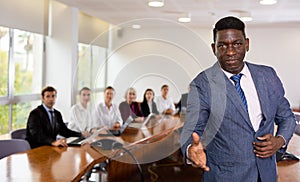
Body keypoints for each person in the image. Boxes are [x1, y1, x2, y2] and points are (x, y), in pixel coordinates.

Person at [180, 16, 296, 182]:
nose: (231, 52)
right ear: (214, 48)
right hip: (225, 176)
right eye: (223, 45)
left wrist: (280, 140)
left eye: (237, 44)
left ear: (247, 44)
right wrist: (191, 148)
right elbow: (192, 130)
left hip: (267, 174)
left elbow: (287, 118)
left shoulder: (268, 75)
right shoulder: (202, 84)